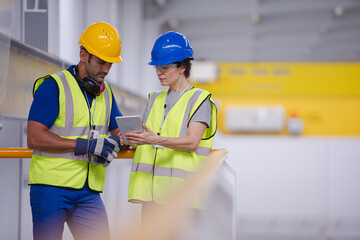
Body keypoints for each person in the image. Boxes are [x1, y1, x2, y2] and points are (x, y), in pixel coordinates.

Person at [27, 22, 124, 240]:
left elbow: (118, 131)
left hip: (88, 192)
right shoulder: (53, 86)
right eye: (101, 62)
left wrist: (122, 139)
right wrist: (85, 145)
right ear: (83, 55)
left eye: (110, 64)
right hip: (51, 188)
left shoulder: (106, 91)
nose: (106, 70)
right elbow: (33, 137)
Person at [125, 31, 217, 215]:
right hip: (151, 195)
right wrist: (131, 138)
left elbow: (192, 143)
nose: (159, 73)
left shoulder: (200, 100)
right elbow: (146, 137)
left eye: (165, 68)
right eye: (157, 67)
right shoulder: (154, 99)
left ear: (182, 66)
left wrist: (155, 140)